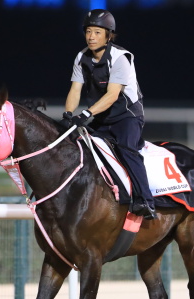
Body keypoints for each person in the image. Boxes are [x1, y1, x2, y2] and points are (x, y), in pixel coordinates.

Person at [61, 9, 156, 220]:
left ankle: (146, 201)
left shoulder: (121, 57)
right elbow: (75, 89)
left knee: (127, 149)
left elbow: (113, 95)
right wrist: (68, 113)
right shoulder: (81, 57)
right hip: (102, 117)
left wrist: (85, 113)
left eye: (97, 32)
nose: (91, 36)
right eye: (88, 31)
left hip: (127, 116)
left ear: (109, 35)